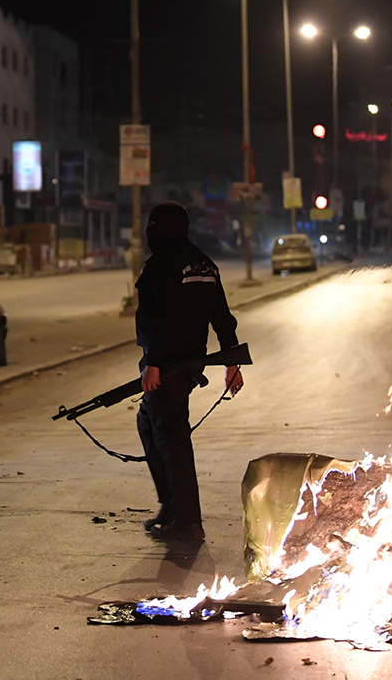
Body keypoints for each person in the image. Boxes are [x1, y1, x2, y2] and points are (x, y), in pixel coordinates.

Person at [135, 202, 244, 542]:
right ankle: (172, 506)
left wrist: (153, 363)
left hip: (166, 366)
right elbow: (222, 318)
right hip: (187, 364)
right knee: (150, 425)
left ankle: (187, 521)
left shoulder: (162, 265)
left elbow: (161, 321)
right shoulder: (204, 264)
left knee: (173, 441)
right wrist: (232, 362)